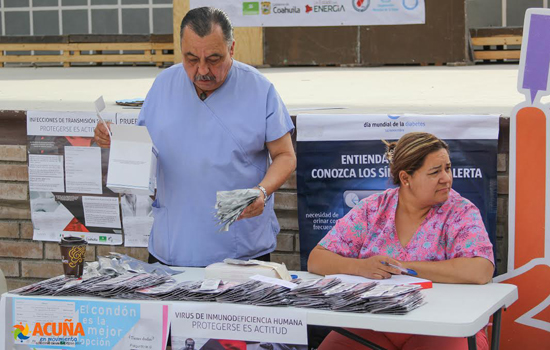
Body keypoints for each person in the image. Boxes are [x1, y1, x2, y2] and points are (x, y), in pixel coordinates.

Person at [94, 7, 296, 266]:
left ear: (231, 49)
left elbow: (285, 155)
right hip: (173, 244)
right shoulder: (163, 85)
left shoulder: (259, 89)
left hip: (239, 251)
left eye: (213, 59)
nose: (202, 70)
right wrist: (116, 139)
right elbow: (146, 150)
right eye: (191, 59)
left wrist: (262, 192)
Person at [308, 132, 494, 350]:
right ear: (406, 179)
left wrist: (403, 268)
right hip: (373, 323)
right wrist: (360, 267)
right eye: (435, 172)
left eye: (448, 168)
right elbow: (317, 258)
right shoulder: (373, 209)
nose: (446, 178)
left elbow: (480, 270)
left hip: (443, 326)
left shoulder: (460, 211)